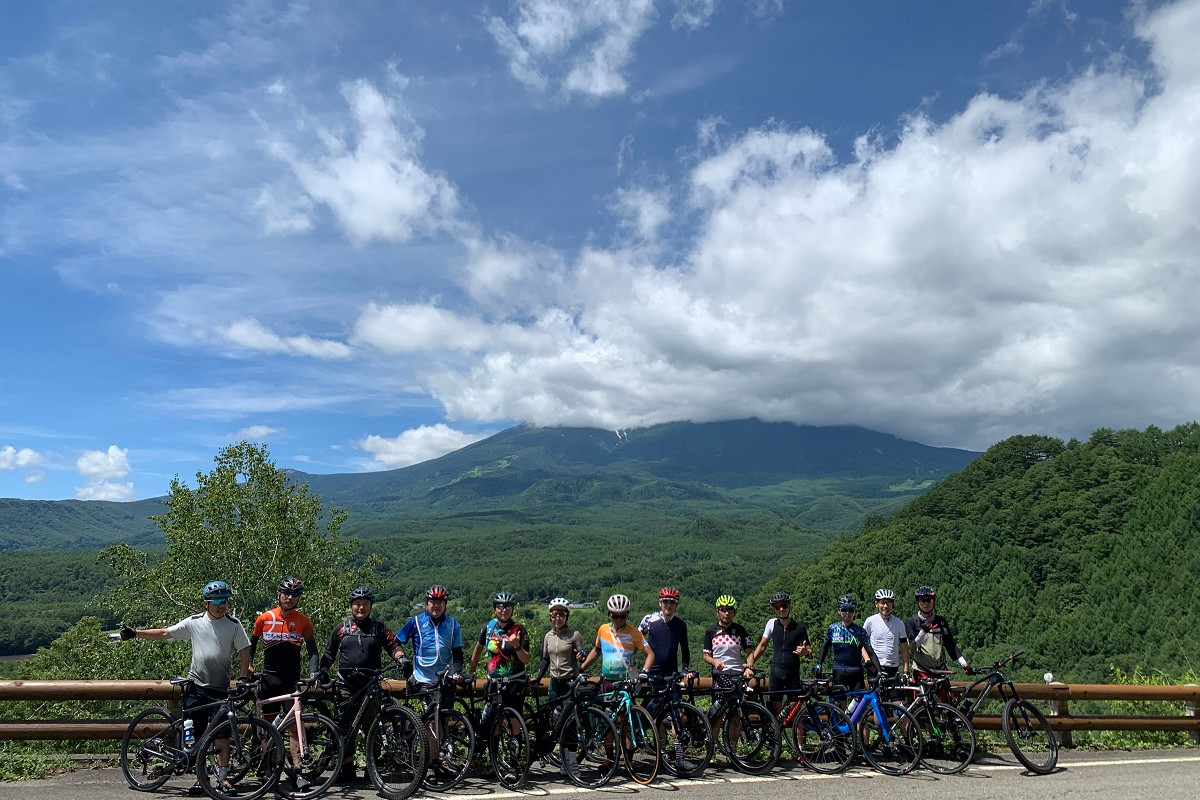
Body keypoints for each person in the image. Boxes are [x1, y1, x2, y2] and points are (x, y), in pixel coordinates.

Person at [120, 580, 251, 796]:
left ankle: (223, 779)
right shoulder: (194, 622)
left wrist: (243, 678)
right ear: (206, 603)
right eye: (217, 600)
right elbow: (164, 633)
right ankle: (202, 779)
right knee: (196, 736)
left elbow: (244, 651)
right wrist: (136, 634)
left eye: (225, 600)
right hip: (196, 687)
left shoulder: (234, 624)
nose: (222, 605)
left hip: (220, 689)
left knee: (222, 736)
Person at [319, 587, 406, 782]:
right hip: (346, 686)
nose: (361, 608)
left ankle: (371, 767)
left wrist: (401, 658)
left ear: (370, 607)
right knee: (345, 728)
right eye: (357, 604)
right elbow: (328, 654)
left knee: (373, 727)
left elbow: (393, 645)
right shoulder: (341, 629)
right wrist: (322, 672)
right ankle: (347, 766)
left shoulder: (379, 628)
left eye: (365, 604)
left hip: (371, 686)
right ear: (351, 606)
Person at [250, 577, 320, 792]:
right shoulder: (264, 618)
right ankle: (268, 769)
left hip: (291, 682)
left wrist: (314, 673)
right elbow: (250, 647)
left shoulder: (304, 621)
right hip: (269, 681)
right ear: (279, 595)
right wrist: (249, 668)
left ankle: (298, 772)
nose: (289, 597)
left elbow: (312, 650)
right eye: (286, 593)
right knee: (268, 729)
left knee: (294, 729)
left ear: (298, 598)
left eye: (294, 594)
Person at [746, 591, 811, 714]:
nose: (781, 609)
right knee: (776, 715)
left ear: (789, 606)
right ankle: (778, 733)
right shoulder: (772, 624)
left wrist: (805, 652)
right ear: (774, 609)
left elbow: (809, 651)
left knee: (796, 714)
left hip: (792, 673)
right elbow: (762, 646)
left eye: (784, 606)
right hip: (776, 672)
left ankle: (799, 734)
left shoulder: (800, 628)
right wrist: (750, 664)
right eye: (777, 606)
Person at [468, 591, 531, 710]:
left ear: (512, 609)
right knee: (493, 724)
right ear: (494, 609)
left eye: (508, 606)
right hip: (493, 683)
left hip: (515, 683)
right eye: (500, 606)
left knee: (513, 722)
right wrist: (472, 672)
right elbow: (478, 649)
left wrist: (517, 646)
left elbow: (526, 659)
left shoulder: (519, 629)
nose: (504, 610)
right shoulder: (489, 628)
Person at [581, 594, 656, 688]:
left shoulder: (635, 633)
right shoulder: (603, 629)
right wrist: (581, 669)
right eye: (615, 616)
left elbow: (650, 654)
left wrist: (644, 672)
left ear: (627, 615)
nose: (619, 619)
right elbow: (597, 651)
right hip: (606, 681)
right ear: (610, 614)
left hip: (626, 683)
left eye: (623, 616)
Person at [812, 594, 881, 693]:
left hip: (856, 672)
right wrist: (819, 665)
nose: (848, 613)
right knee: (840, 705)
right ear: (839, 611)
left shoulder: (860, 631)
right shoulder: (832, 629)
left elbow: (871, 652)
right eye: (844, 609)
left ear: (854, 611)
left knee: (858, 705)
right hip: (839, 672)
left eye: (851, 609)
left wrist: (879, 671)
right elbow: (825, 647)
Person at [904, 585, 969, 677]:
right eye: (923, 600)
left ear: (933, 601)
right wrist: (922, 633)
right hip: (921, 671)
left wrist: (964, 664)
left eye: (929, 600)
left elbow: (950, 645)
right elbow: (913, 648)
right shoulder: (911, 622)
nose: (926, 603)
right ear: (918, 602)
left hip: (940, 670)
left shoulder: (941, 621)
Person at [533, 597, 586, 702]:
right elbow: (545, 659)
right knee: (555, 715)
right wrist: (538, 678)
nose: (558, 618)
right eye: (554, 614)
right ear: (550, 616)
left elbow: (583, 656)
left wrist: (581, 656)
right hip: (554, 682)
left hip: (570, 681)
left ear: (567, 616)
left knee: (569, 715)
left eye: (561, 614)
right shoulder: (548, 636)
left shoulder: (574, 635)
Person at [862, 588, 909, 700]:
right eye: (882, 602)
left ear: (892, 605)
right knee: (878, 707)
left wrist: (906, 669)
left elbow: (904, 647)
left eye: (888, 602)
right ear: (876, 604)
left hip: (893, 669)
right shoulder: (870, 621)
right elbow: (862, 644)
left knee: (900, 707)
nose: (885, 606)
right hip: (875, 669)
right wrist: (867, 660)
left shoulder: (899, 623)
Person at [637, 586, 692, 679]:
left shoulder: (681, 624)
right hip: (651, 672)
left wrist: (684, 669)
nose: (668, 605)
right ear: (660, 603)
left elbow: (685, 649)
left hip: (671, 674)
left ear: (676, 604)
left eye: (672, 602)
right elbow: (636, 641)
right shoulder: (649, 619)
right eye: (665, 601)